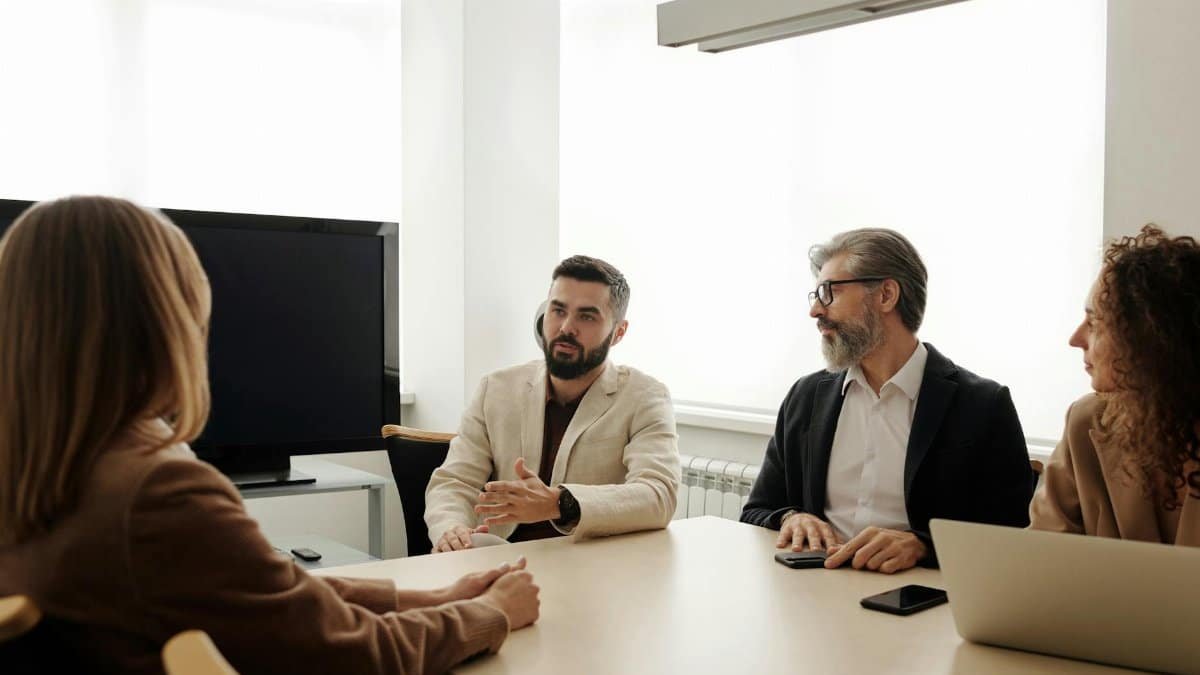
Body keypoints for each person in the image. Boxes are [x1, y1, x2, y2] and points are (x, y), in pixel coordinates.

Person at [0, 196, 539, 674]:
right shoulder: (157, 496)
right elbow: (349, 655)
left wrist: (430, 596)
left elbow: (266, 598)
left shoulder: (41, 474)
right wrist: (488, 615)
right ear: (165, 321)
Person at [740, 228, 1035, 573]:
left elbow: (1013, 536)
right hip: (815, 592)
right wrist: (792, 518)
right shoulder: (805, 398)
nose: (816, 310)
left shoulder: (982, 405)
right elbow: (756, 511)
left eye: (830, 292)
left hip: (920, 607)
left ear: (886, 295)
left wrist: (923, 545)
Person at [424, 255, 680, 552]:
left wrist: (560, 503)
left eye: (586, 316)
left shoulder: (645, 397)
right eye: (558, 311)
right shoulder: (495, 389)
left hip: (591, 570)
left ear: (618, 333)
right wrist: (452, 529)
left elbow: (658, 495)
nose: (565, 327)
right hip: (497, 559)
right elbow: (454, 481)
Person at [1031, 225, 1200, 544]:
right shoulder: (1086, 422)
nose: (1075, 339)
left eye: (1095, 323)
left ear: (1153, 339)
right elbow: (1041, 554)